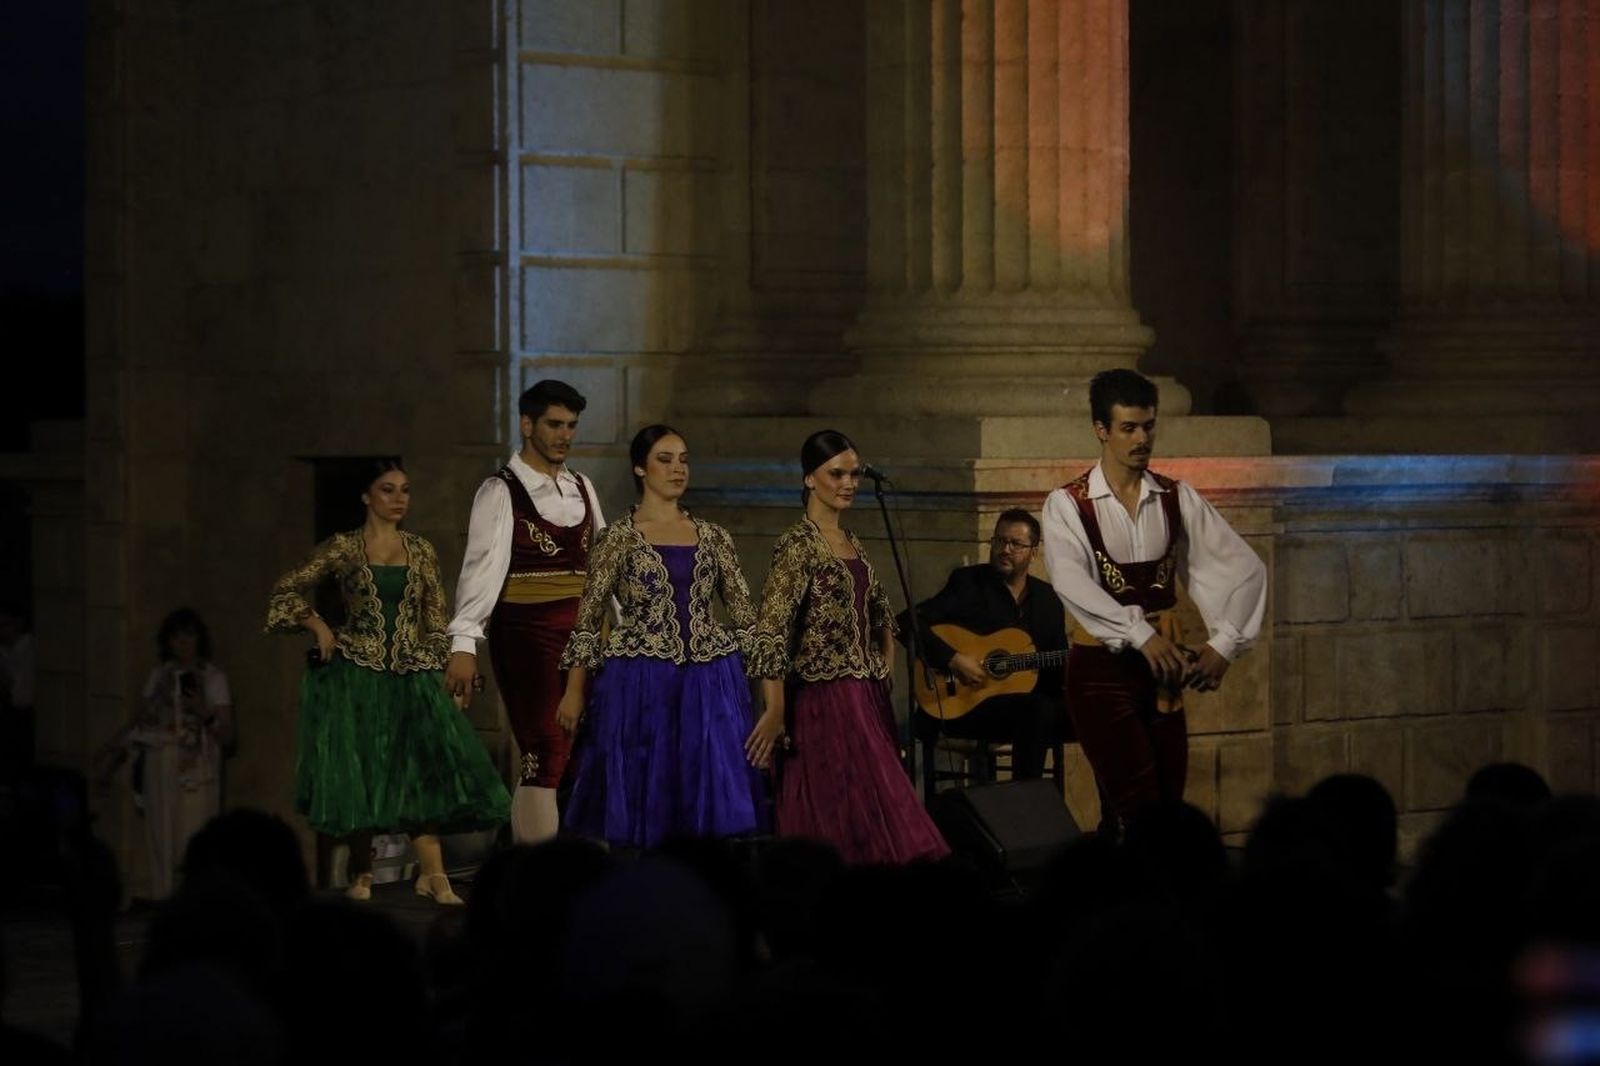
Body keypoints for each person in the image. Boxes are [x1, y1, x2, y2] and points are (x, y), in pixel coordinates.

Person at [265, 459, 510, 903]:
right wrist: (317, 624)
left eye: (405, 490)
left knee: (420, 771)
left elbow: (435, 621)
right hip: (358, 670)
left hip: (411, 673)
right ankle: (362, 871)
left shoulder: (421, 550)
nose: (399, 499)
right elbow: (285, 589)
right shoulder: (344, 548)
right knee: (364, 767)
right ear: (366, 496)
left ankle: (434, 874)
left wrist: (448, 673)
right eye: (387, 490)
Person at [1041, 368, 1266, 836]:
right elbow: (1071, 581)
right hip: (1100, 674)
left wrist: (1225, 644)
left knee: (1164, 802)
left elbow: (1242, 568)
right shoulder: (1068, 504)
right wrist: (1139, 633)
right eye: (1129, 428)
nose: (1142, 438)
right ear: (1101, 430)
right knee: (1138, 807)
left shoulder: (1174, 497)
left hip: (1162, 676)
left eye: (1148, 426)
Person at [555, 425, 765, 848]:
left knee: (706, 803)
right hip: (642, 682)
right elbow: (588, 620)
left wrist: (773, 700)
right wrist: (575, 690)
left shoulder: (714, 537)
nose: (677, 469)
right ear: (639, 468)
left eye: (683, 460)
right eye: (665, 460)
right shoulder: (617, 538)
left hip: (709, 682)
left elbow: (747, 619)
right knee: (644, 798)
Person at [747, 430, 949, 865]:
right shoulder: (797, 546)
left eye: (854, 474)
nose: (849, 483)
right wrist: (776, 709)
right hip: (820, 700)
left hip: (863, 695)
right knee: (838, 804)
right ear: (808, 480)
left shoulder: (853, 542)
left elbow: (882, 615)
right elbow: (770, 633)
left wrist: (884, 664)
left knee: (876, 800)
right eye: (836, 473)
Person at [444, 380, 606, 844]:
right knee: (546, 748)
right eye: (555, 424)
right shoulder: (500, 491)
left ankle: (560, 871)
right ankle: (537, 881)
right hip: (527, 634)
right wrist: (463, 644)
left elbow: (604, 561)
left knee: (581, 755)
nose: (564, 435)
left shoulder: (583, 486)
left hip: (585, 636)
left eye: (572, 426)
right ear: (527, 424)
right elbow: (480, 569)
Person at [898, 510, 1069, 783]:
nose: (1005, 549)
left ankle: (1116, 820)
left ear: (1033, 553)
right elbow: (907, 622)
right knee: (1038, 711)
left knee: (1096, 711)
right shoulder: (968, 584)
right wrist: (952, 659)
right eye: (999, 541)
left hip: (1029, 709)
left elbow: (1057, 666)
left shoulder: (1048, 599)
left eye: (1016, 544)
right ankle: (1024, 803)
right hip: (969, 706)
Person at [97, 609, 233, 901]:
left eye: (189, 635)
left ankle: (199, 901)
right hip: (161, 762)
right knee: (162, 836)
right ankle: (165, 900)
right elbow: (139, 722)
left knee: (194, 834)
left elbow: (228, 734)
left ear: (199, 639)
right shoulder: (159, 675)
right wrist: (111, 750)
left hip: (198, 767)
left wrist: (202, 709)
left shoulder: (213, 677)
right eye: (176, 638)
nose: (183, 643)